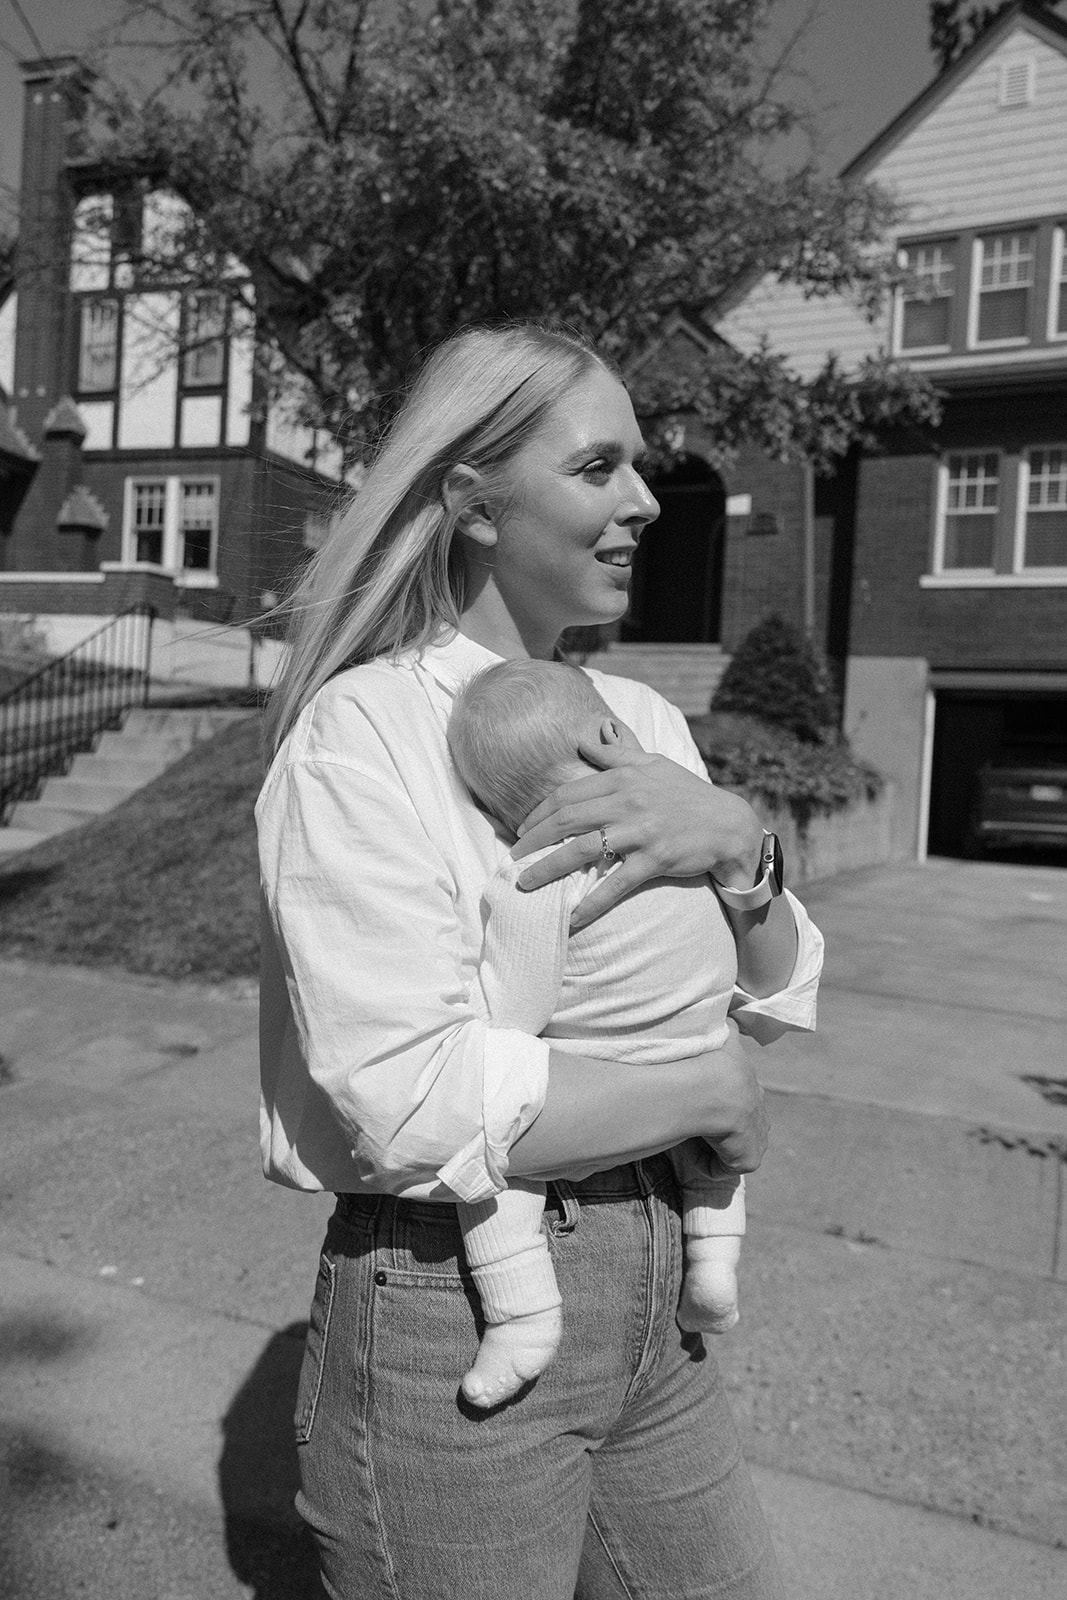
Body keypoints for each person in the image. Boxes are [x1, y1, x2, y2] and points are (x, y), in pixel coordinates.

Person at [256, 321, 824, 1600]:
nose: (642, 501)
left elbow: (774, 993)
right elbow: (406, 1094)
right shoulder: (366, 734)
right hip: (449, 1296)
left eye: (640, 467)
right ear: (469, 503)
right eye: (597, 467)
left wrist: (741, 851)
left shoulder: (646, 720)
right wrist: (704, 1093)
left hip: (656, 1292)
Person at [447, 656, 817, 1409]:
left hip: (589, 1079)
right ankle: (714, 1261)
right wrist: (730, 841)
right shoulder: (683, 849)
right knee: (711, 1148)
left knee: (497, 1184)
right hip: (701, 1047)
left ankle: (521, 1319)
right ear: (611, 735)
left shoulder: (536, 883)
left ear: (492, 809)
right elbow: (768, 1001)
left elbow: (503, 1029)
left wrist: (748, 836)